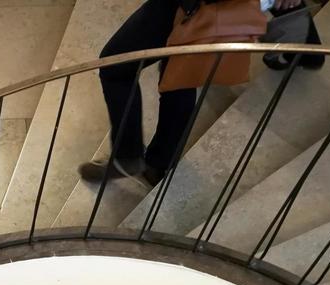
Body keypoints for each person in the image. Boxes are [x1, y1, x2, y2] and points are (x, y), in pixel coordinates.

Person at [75, 0, 229, 189]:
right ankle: (159, 163)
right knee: (180, 74)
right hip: (218, 12)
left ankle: (128, 156)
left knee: (114, 66)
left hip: (187, 5)